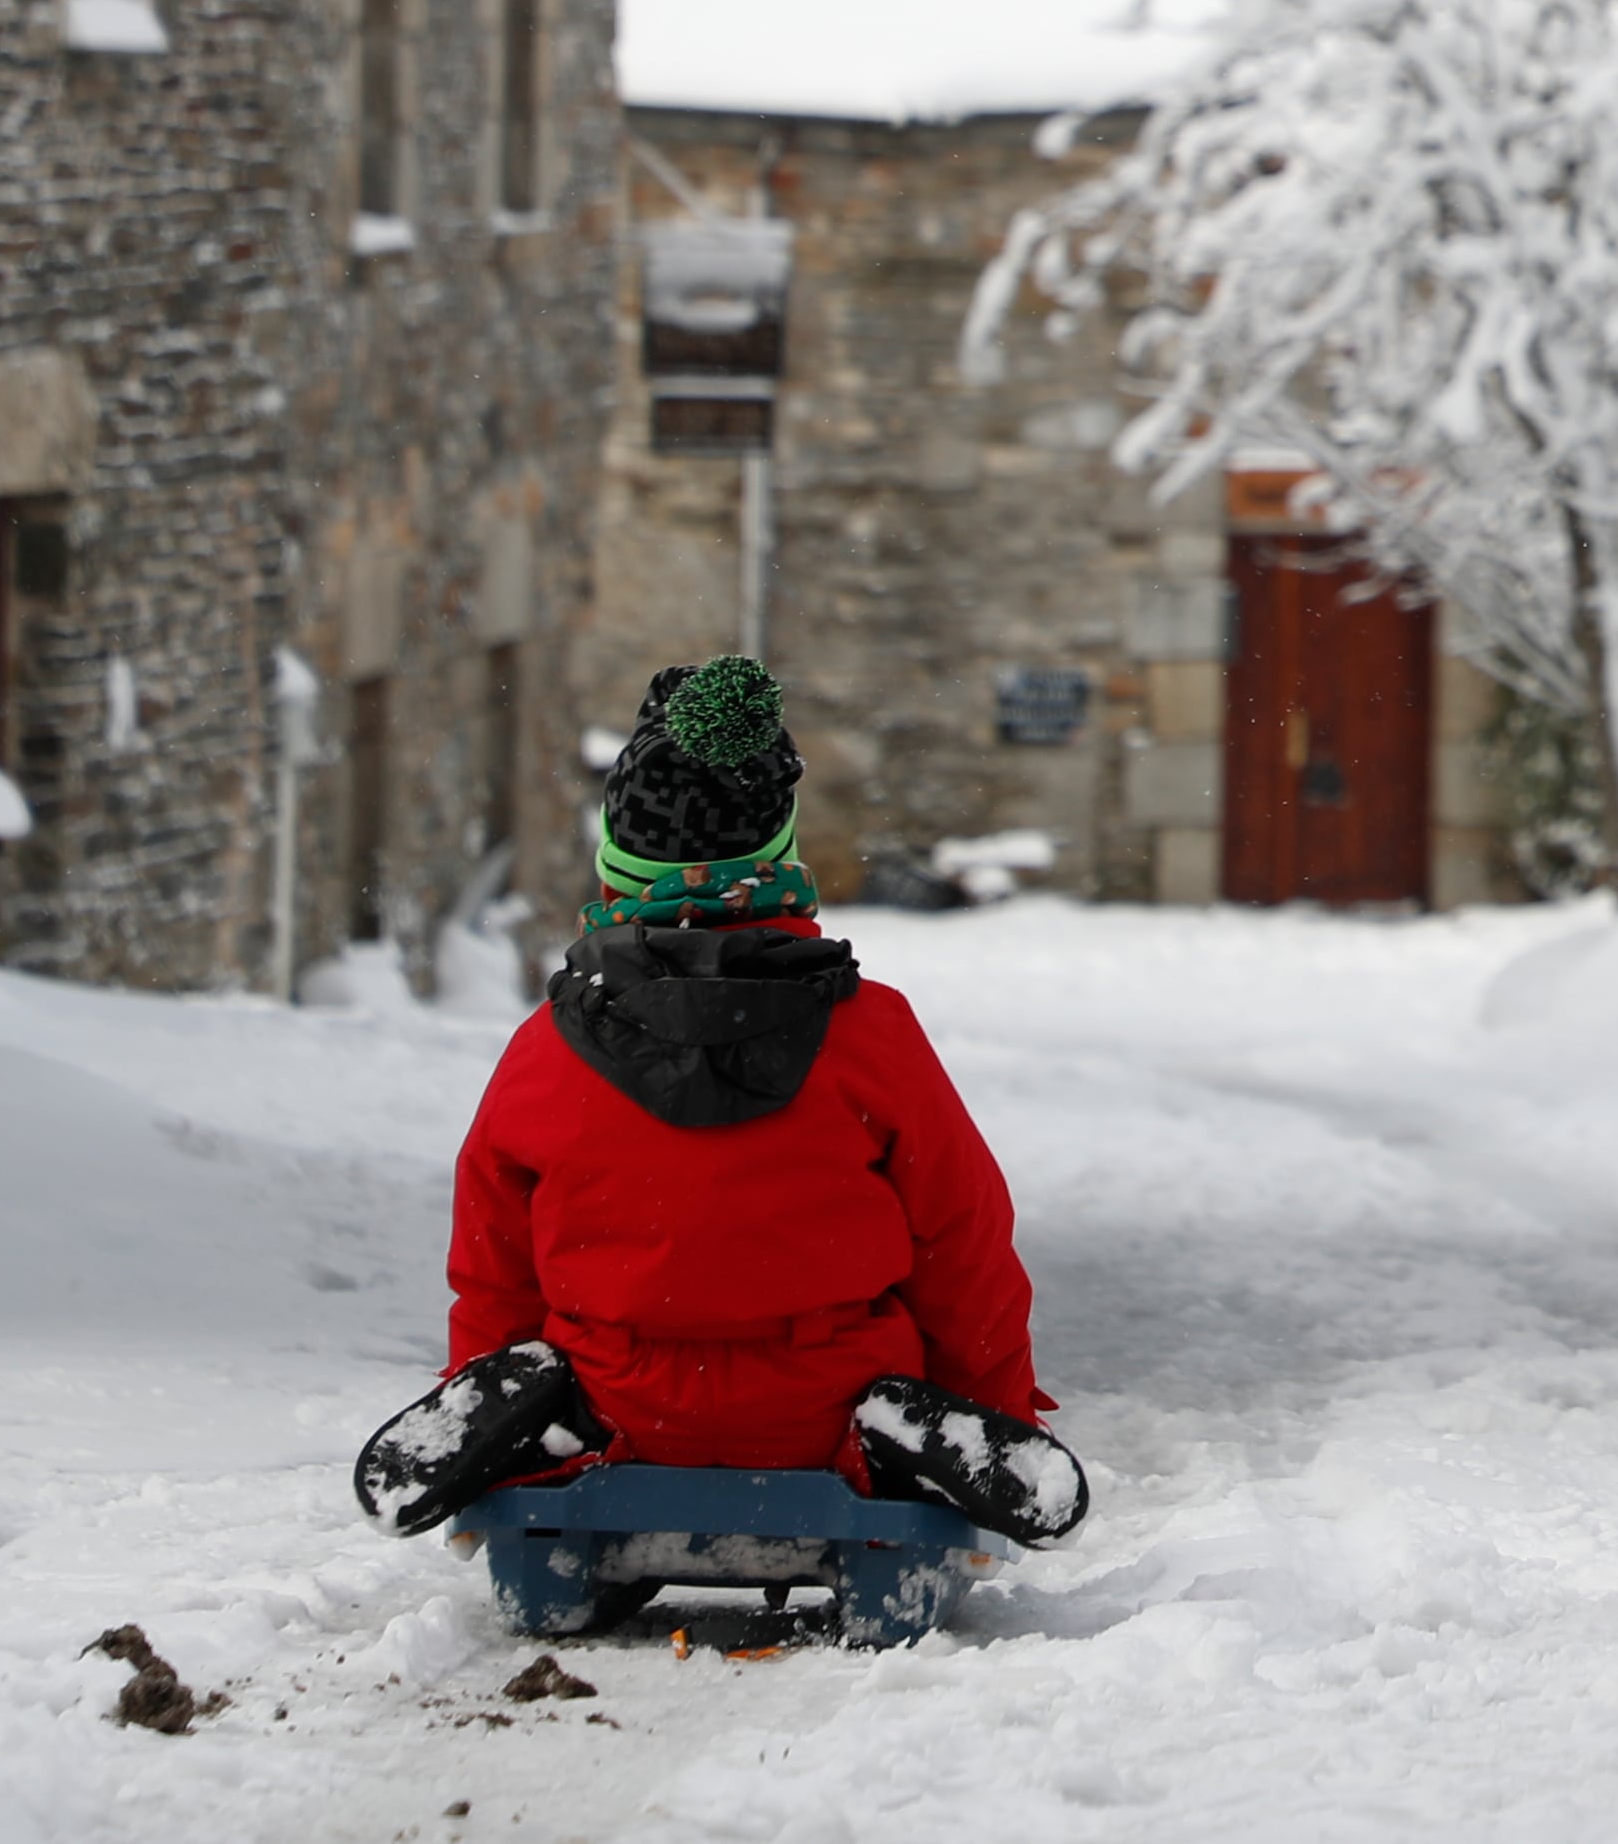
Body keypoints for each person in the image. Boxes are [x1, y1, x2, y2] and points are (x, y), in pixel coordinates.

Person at [350, 657, 1088, 1548]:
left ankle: (513, 1438)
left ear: (615, 863)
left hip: (617, 1405)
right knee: (902, 1394)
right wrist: (994, 1409)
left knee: (545, 1371)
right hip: (830, 1409)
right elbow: (963, 1247)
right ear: (779, 852)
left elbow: (494, 1263)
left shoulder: (546, 1048)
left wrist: (489, 1377)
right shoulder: (871, 1035)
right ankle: (925, 1438)